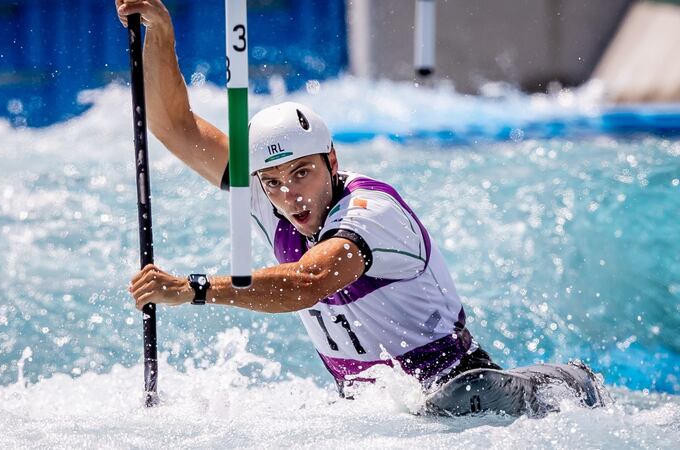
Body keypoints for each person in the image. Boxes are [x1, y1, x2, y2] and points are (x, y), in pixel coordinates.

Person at [116, 0, 503, 394]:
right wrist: (160, 31)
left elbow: (309, 281)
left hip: (457, 385)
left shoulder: (370, 212)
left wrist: (193, 289)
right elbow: (174, 127)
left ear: (331, 160)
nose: (290, 195)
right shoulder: (264, 194)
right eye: (272, 181)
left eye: (302, 173)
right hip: (370, 404)